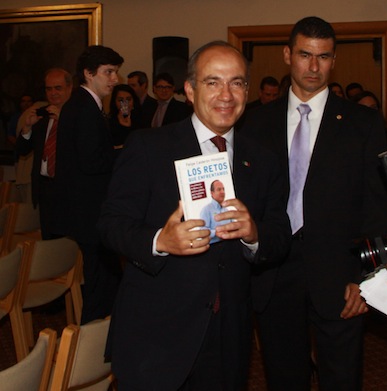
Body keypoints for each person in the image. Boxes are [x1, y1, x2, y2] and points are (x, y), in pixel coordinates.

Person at [98, 41, 291, 391]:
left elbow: (280, 234)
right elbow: (111, 224)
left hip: (228, 333)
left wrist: (254, 234)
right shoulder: (148, 147)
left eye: (236, 83)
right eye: (213, 82)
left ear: (247, 91)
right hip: (157, 329)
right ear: (190, 90)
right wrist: (160, 240)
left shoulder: (262, 160)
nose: (226, 94)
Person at [243, 16, 387, 391]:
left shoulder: (364, 123)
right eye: (305, 55)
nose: (313, 67)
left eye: (323, 57)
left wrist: (370, 279)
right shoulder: (256, 123)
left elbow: (378, 207)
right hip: (274, 272)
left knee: (342, 377)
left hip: (341, 276)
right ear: (287, 55)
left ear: (333, 59)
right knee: (283, 376)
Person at [55, 45, 124, 324]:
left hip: (89, 210)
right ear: (88, 73)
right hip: (89, 212)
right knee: (100, 286)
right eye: (109, 72)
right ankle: (88, 350)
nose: (115, 79)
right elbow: (91, 162)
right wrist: (124, 152)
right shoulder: (83, 107)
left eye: (115, 72)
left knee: (104, 282)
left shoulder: (83, 104)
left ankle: (96, 346)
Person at [16, 68, 73, 239]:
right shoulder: (42, 117)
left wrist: (63, 120)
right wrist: (27, 129)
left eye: (58, 88)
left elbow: (81, 147)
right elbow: (22, 151)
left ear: (69, 88)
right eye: (49, 89)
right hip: (45, 189)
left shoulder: (78, 116)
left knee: (70, 244)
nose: (53, 93)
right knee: (49, 240)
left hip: (68, 190)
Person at [108, 84, 142, 149]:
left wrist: (128, 127)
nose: (124, 103)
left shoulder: (141, 118)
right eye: (120, 100)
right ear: (115, 102)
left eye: (128, 99)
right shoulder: (109, 121)